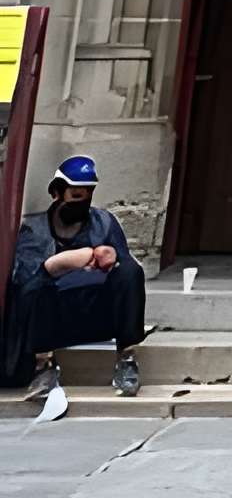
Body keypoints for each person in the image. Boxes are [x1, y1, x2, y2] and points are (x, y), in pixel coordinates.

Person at [7, 158, 146, 401]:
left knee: (131, 272)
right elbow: (24, 282)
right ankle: (43, 367)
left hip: (95, 310)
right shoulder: (36, 229)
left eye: (88, 195)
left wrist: (110, 258)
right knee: (34, 288)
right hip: (55, 316)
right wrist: (63, 263)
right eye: (76, 195)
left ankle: (126, 359)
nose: (83, 202)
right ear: (57, 193)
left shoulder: (103, 223)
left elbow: (124, 271)